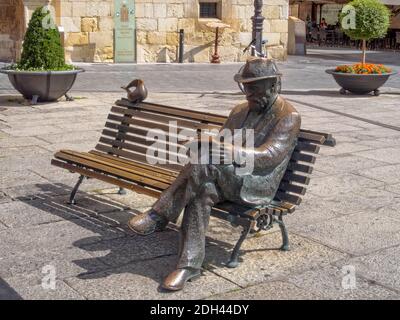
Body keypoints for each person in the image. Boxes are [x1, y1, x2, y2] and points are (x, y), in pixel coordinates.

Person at [127, 58, 301, 291]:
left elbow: (269, 156)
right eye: (246, 87)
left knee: (205, 164)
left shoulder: (288, 116)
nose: (248, 94)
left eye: (254, 88)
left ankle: (160, 215)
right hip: (228, 176)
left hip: (257, 183)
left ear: (273, 85)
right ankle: (188, 266)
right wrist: (202, 144)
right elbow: (220, 143)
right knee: (203, 190)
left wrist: (224, 149)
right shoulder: (240, 110)